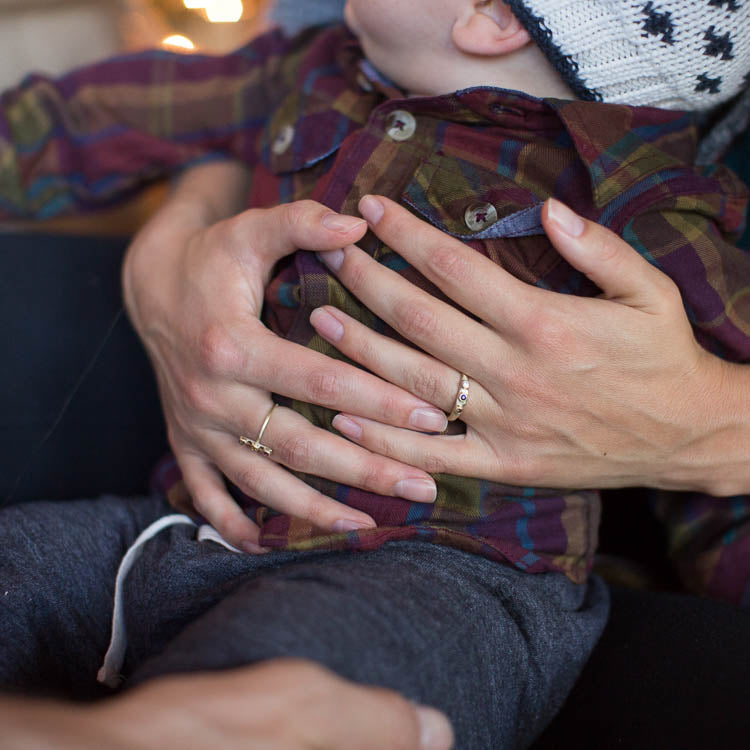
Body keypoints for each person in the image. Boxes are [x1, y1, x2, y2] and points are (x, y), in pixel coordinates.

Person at [1, 0, 749, 747]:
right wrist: (174, 239)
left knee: (287, 667)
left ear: (492, 17)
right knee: (20, 563)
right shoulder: (316, 69)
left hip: (448, 573)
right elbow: (108, 112)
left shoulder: (649, 207)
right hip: (198, 526)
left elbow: (719, 436)